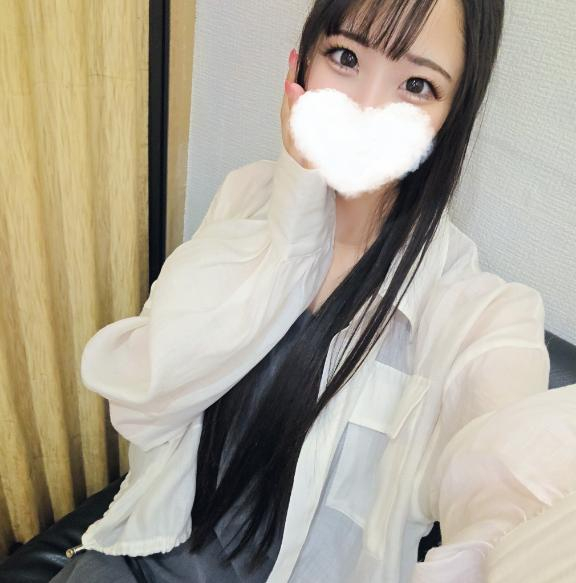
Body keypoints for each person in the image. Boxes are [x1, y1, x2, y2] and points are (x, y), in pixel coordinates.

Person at [51, 0, 550, 581]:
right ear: (301, 66)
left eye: (417, 85)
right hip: (141, 554)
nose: (365, 109)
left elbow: (515, 502)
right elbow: (142, 402)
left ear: (452, 116)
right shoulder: (246, 199)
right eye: (345, 57)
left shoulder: (477, 311)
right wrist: (291, 236)